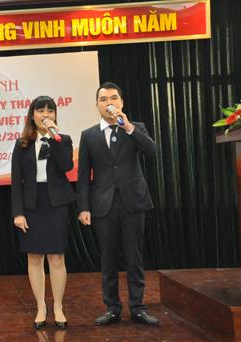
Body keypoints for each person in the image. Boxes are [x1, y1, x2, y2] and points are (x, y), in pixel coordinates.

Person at [77, 82, 159, 326]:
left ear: (121, 102)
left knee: (135, 257)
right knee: (108, 259)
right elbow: (83, 175)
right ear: (97, 105)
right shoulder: (89, 135)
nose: (109, 103)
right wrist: (83, 207)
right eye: (103, 99)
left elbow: (151, 151)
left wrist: (128, 127)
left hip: (133, 201)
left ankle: (138, 308)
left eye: (113, 98)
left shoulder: (135, 128)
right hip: (103, 204)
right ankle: (112, 308)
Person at [11, 96, 75, 329]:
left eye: (50, 111)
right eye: (40, 111)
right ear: (32, 115)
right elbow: (16, 180)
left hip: (56, 202)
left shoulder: (63, 140)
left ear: (55, 115)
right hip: (31, 204)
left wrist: (53, 137)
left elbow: (67, 166)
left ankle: (58, 306)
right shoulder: (22, 144)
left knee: (57, 257)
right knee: (34, 257)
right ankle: (41, 306)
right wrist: (18, 212)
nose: (45, 115)